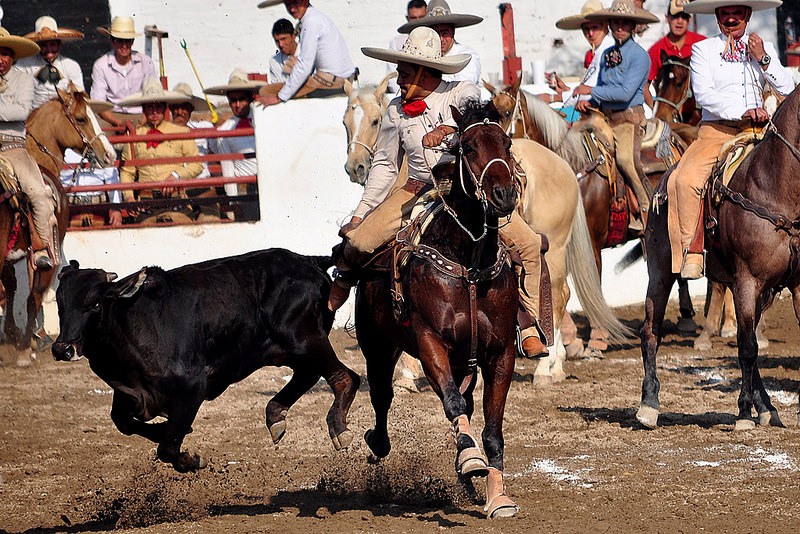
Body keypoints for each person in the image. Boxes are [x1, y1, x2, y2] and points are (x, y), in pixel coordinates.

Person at [327, 27, 550, 358]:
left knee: (529, 244)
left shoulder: (462, 92)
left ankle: (528, 322)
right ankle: (342, 285)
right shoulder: (395, 111)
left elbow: (486, 120)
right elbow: (387, 165)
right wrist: (362, 211)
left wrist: (448, 129)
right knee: (358, 240)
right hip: (415, 191)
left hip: (466, 194)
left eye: (404, 73)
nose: (399, 82)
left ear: (422, 71)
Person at [668, 0, 793, 279]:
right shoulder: (703, 49)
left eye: (737, 12)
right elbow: (703, 96)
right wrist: (742, 112)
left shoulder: (764, 47)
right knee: (685, 180)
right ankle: (692, 251)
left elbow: (787, 89)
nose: (731, 18)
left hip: (760, 133)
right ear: (717, 16)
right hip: (717, 133)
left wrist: (763, 58)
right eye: (725, 13)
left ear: (747, 14)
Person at [573, 0, 658, 230]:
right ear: (610, 25)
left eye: (625, 23)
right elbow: (603, 85)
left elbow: (624, 93)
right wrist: (589, 102)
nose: (620, 27)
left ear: (633, 26)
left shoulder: (640, 56)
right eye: (616, 22)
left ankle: (647, 209)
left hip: (629, 120)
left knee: (624, 160)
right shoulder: (608, 53)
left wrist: (591, 91)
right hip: (606, 118)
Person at [0, 28, 60, 270]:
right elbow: (10, 109)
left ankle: (41, 248)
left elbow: (21, 111)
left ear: (12, 57)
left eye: (4, 54)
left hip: (13, 148)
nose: (0, 59)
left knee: (38, 192)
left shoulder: (24, 80)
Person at [118, 79, 203, 224]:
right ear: (144, 109)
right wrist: (128, 197)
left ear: (164, 108)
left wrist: (175, 176)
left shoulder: (181, 132)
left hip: (176, 202)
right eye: (150, 107)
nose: (154, 112)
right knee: (144, 234)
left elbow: (197, 165)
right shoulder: (133, 136)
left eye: (158, 107)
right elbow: (127, 171)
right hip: (146, 203)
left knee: (181, 229)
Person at [256, 0, 356, 105]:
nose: (292, 9)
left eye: (295, 3)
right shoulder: (315, 17)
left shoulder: (310, 22)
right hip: (338, 80)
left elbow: (305, 65)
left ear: (305, 1)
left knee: (266, 92)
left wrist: (279, 97)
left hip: (331, 83)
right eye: (288, 4)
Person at [205, 69, 266, 221]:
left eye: (242, 99)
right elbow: (227, 167)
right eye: (233, 100)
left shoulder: (264, 119)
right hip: (248, 187)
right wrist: (232, 201)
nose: (238, 105)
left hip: (270, 180)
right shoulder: (224, 130)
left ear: (250, 98)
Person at [546, 0, 616, 118]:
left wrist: (552, 98)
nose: (590, 33)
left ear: (605, 27)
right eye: (586, 29)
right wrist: (567, 89)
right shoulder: (599, 50)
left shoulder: (608, 50)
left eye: (595, 27)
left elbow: (594, 92)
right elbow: (588, 88)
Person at [91, 16, 156, 128]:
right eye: (120, 41)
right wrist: (118, 122)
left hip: (140, 114)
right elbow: (98, 102)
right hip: (111, 115)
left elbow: (153, 96)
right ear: (112, 41)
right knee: (97, 136)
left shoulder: (145, 62)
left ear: (132, 41)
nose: (124, 45)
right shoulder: (101, 65)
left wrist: (143, 121)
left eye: (128, 41)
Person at [397, 0, 482, 84]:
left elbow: (464, 87)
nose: (441, 39)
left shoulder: (466, 56)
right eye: (436, 34)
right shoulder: (421, 55)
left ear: (453, 32)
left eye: (445, 33)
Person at [644, 0, 705, 110]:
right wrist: (657, 108)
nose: (680, 21)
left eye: (684, 17)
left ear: (689, 19)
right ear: (667, 18)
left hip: (700, 114)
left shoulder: (702, 44)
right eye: (675, 16)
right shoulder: (657, 49)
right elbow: (644, 85)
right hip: (669, 116)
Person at [170, 82, 218, 220]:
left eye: (184, 107)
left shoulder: (204, 128)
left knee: (210, 222)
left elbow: (221, 149)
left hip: (202, 188)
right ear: (171, 109)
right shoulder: (162, 132)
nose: (180, 112)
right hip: (176, 191)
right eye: (176, 107)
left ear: (190, 109)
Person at [15, 16, 84, 110]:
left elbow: (78, 96)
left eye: (52, 45)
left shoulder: (71, 65)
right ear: (37, 46)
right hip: (33, 115)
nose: (49, 50)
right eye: (44, 45)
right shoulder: (24, 64)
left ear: (59, 44)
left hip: (64, 113)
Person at [387, 0, 427, 93]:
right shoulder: (397, 43)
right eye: (413, 18)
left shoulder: (437, 40)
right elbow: (392, 76)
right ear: (407, 18)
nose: (418, 21)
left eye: (421, 17)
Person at [268, 18, 299, 84]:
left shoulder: (309, 54)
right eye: (277, 41)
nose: (281, 44)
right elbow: (276, 89)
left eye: (283, 39)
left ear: (293, 36)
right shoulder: (274, 61)